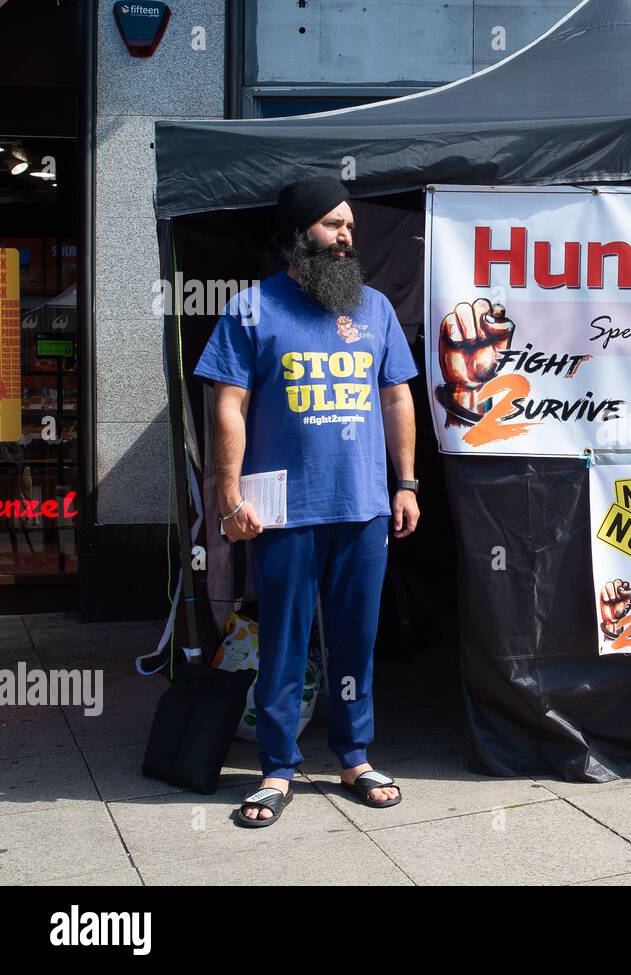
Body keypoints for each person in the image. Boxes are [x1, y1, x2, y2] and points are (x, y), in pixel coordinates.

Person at [193, 175, 421, 827]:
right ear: (299, 236)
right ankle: (277, 766)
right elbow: (227, 406)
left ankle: (353, 755)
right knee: (284, 641)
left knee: (356, 639)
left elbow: (397, 396)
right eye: (332, 223)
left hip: (363, 504)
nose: (346, 234)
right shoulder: (250, 309)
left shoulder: (374, 309)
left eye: (350, 224)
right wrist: (230, 494)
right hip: (279, 507)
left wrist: (405, 483)